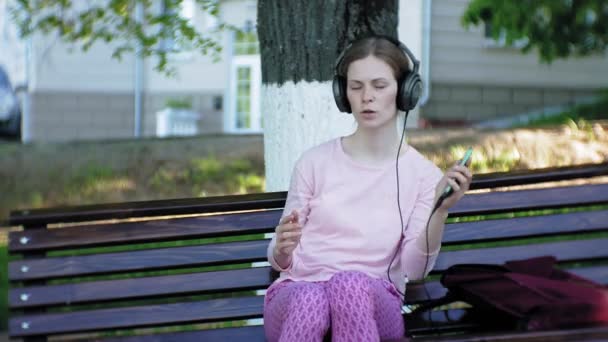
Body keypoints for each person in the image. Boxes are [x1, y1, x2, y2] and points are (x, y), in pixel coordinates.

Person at [263, 35, 473, 342]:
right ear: (343, 93)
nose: (366, 97)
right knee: (311, 299)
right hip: (298, 296)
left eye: (379, 85)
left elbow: (415, 270)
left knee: (350, 284)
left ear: (404, 91)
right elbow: (281, 259)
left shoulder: (424, 176)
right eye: (356, 86)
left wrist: (439, 212)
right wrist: (280, 248)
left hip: (375, 300)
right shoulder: (313, 162)